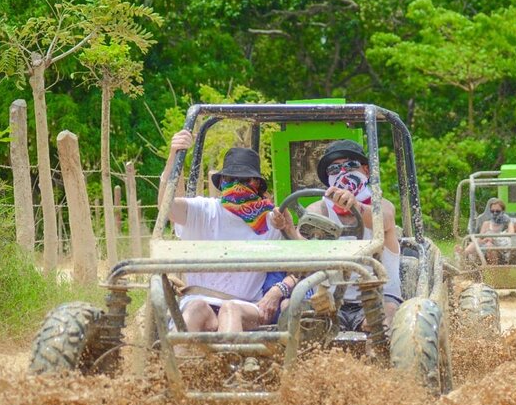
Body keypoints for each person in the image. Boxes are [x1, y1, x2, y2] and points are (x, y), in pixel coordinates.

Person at [159, 129, 290, 333]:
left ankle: (227, 362)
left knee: (230, 310)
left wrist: (277, 291)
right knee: (196, 308)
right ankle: (181, 363)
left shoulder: (271, 221)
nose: (238, 186)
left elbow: (299, 266)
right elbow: (167, 207)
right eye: (231, 179)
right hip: (200, 299)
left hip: (247, 306)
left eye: (245, 181)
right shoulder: (203, 211)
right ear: (221, 183)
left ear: (257, 186)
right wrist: (173, 157)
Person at [271, 139, 402, 332]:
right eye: (334, 169)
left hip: (380, 297)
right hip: (328, 301)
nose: (342, 172)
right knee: (294, 317)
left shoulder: (381, 206)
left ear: (365, 170)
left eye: (350, 165)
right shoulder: (318, 211)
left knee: (382, 322)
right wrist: (289, 230)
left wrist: (355, 205)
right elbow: (303, 262)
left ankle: (379, 356)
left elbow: (385, 220)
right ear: (327, 179)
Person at [464, 198, 514, 264]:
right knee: (478, 244)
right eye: (492, 211)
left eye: (497, 211)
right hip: (485, 249)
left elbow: (511, 235)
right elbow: (479, 239)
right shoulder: (486, 224)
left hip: (501, 250)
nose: (495, 213)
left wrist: (493, 239)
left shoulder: (507, 223)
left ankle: (492, 270)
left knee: (489, 245)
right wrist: (484, 240)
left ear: (503, 211)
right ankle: (464, 255)